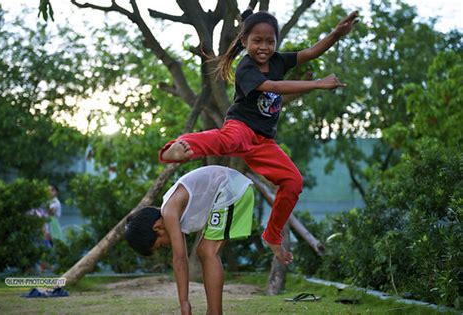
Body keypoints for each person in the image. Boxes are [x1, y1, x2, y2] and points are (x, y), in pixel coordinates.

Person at [159, 8, 359, 265]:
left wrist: (337, 33)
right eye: (257, 41)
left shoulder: (279, 60)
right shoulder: (246, 67)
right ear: (244, 42)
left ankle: (272, 234)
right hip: (241, 126)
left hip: (264, 141)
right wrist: (318, 83)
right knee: (229, 141)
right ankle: (176, 148)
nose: (264, 47)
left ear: (276, 42)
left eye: (270, 41)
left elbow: (311, 52)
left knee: (293, 181)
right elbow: (273, 87)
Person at [125, 165, 254, 315]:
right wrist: (184, 301)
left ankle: (214, 313)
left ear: (157, 228)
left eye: (160, 245)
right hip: (229, 188)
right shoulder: (172, 213)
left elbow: (179, 259)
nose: (166, 246)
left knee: (207, 251)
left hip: (232, 188)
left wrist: (184, 304)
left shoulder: (170, 212)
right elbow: (182, 257)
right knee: (204, 251)